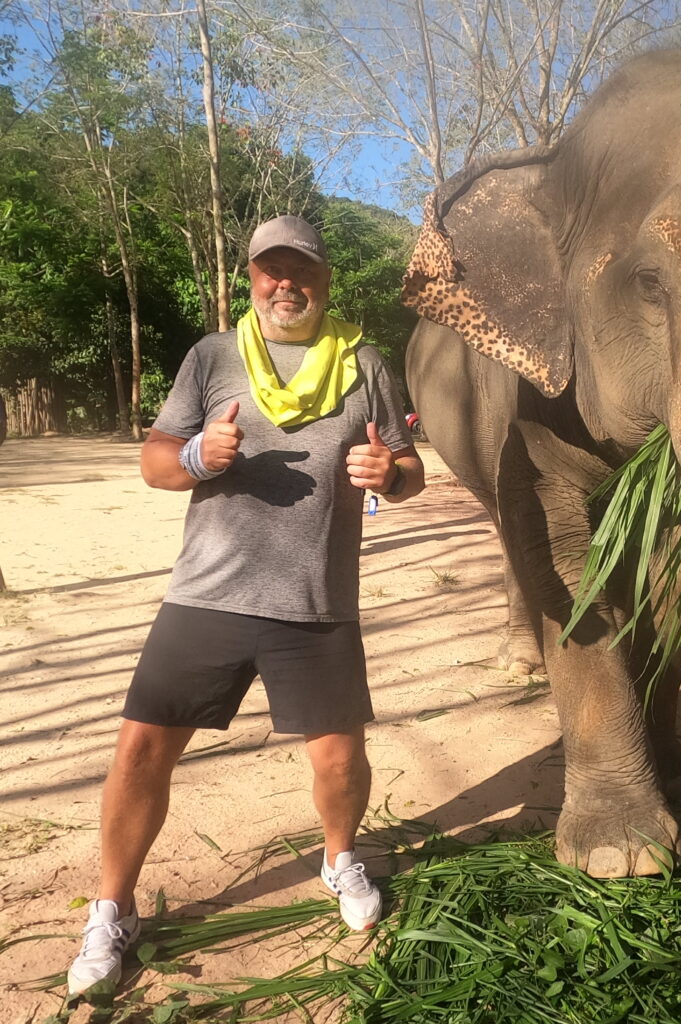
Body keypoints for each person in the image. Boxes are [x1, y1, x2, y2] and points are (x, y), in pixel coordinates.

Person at [67, 215, 425, 998]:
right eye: (271, 270)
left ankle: (339, 859)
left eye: (301, 271)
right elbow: (155, 461)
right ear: (252, 277)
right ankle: (113, 909)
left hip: (316, 599)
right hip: (209, 591)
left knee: (338, 760)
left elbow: (407, 464)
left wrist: (387, 475)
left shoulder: (367, 363)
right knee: (139, 753)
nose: (285, 284)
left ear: (326, 280)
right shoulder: (213, 357)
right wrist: (197, 455)